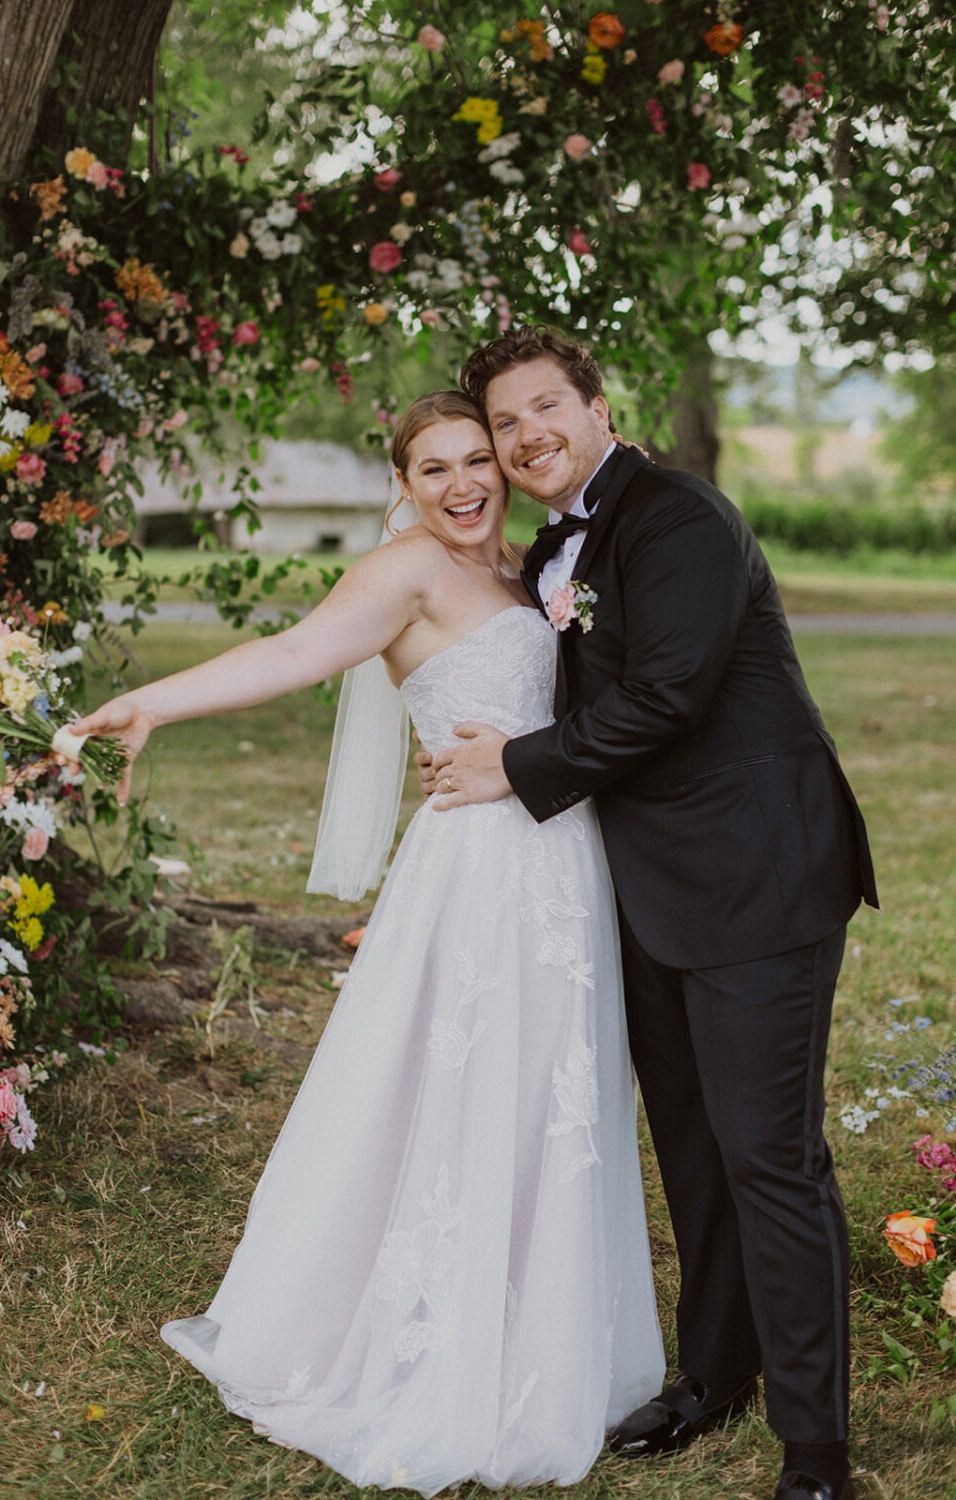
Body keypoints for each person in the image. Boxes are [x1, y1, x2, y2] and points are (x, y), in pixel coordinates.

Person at [72, 390, 665, 1494]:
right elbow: (293, 651)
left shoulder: (528, 573)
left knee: (554, 1096)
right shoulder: (405, 574)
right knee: (468, 1093)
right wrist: (153, 699)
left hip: (565, 866)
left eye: (474, 460)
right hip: (480, 875)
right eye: (430, 470)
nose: (459, 486)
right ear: (402, 486)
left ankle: (541, 1330)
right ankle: (435, 1344)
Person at [423, 328, 878, 1500]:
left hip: (757, 873)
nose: (527, 436)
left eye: (544, 409)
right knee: (692, 1146)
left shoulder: (677, 518)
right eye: (506, 422)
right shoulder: (553, 552)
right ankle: (712, 1377)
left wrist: (517, 766)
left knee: (770, 1158)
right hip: (646, 888)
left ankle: (815, 1451)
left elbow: (670, 694)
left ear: (595, 405)